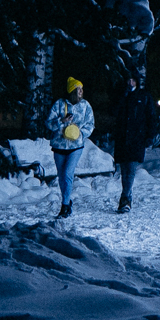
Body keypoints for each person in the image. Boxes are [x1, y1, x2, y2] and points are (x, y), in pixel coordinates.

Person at [46, 75, 94, 218]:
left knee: (67, 173)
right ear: (72, 91)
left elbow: (90, 124)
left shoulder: (85, 106)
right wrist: (61, 121)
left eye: (81, 89)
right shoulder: (59, 104)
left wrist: (80, 134)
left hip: (76, 147)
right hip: (59, 146)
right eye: (78, 89)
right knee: (62, 177)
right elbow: (48, 123)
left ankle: (65, 205)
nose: (81, 92)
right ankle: (67, 200)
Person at [114, 67, 158, 213]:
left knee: (130, 169)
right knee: (124, 169)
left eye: (133, 80)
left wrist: (149, 136)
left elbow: (151, 117)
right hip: (122, 138)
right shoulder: (122, 95)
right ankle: (126, 197)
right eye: (129, 80)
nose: (130, 83)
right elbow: (115, 112)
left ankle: (125, 198)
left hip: (136, 138)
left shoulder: (144, 96)